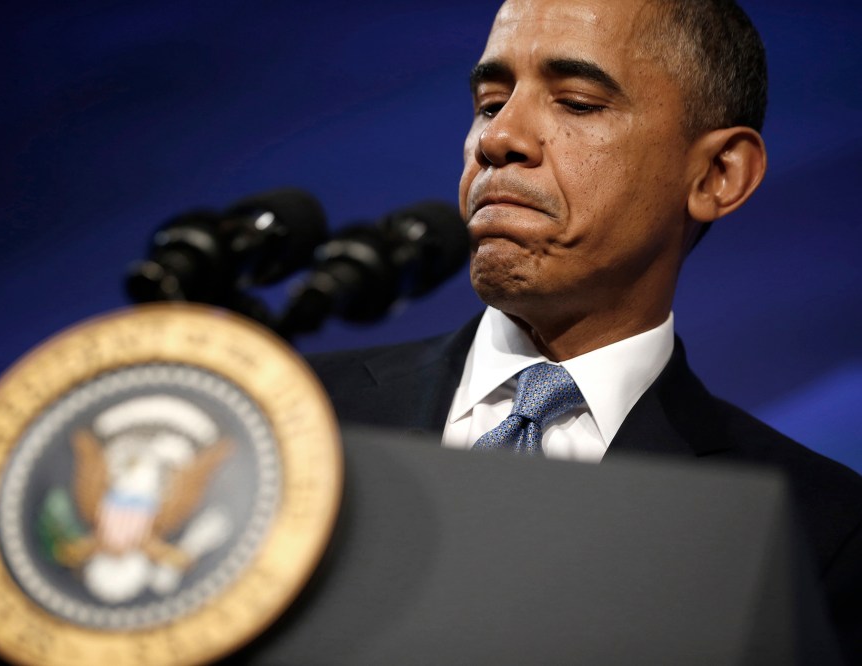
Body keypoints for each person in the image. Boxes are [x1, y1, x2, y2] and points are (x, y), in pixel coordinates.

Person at [309, 0, 862, 660]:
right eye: (490, 102)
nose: (498, 138)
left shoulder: (818, 531)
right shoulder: (295, 425)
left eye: (575, 102)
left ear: (718, 175)